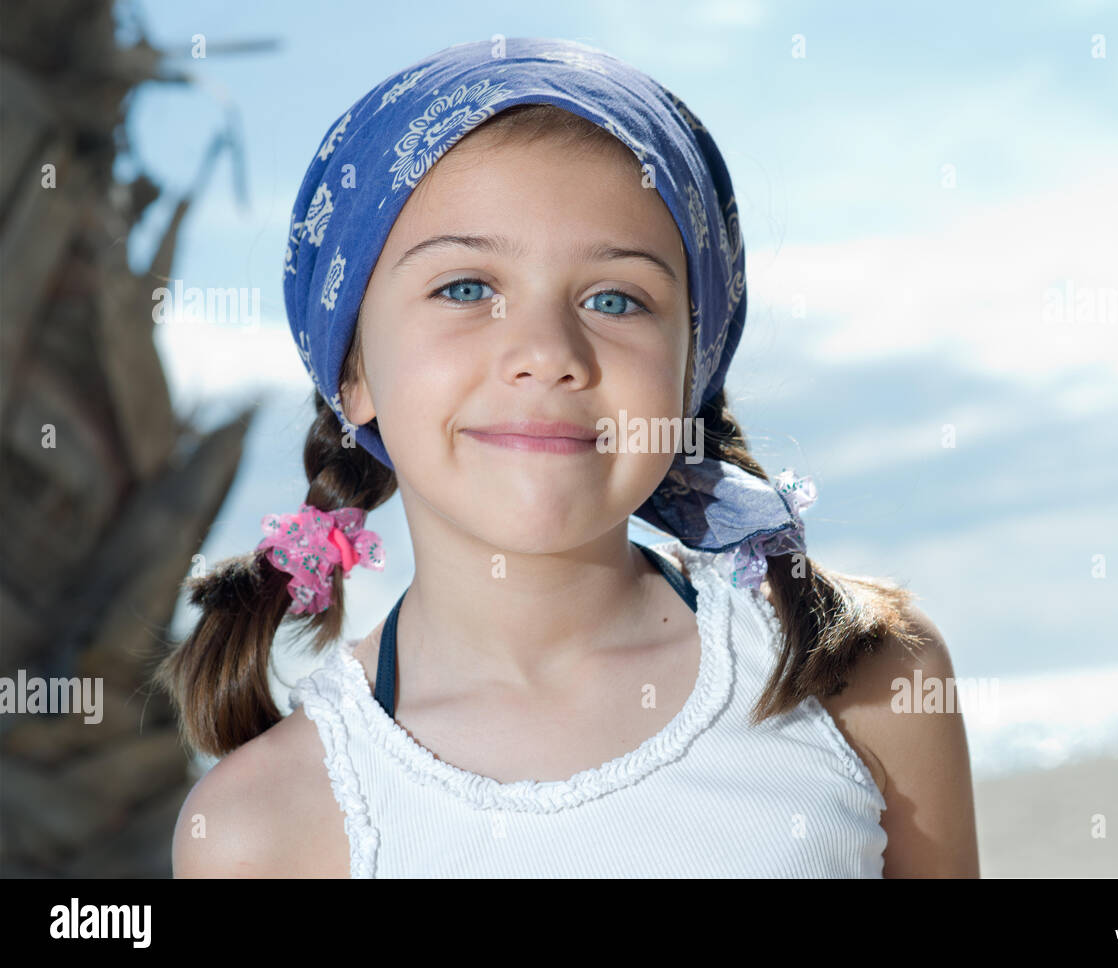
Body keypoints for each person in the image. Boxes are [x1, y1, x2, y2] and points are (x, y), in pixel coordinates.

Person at [155, 37, 978, 878]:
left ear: (690, 368)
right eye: (466, 288)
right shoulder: (259, 829)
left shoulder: (860, 675)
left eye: (615, 299)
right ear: (355, 369)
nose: (547, 353)